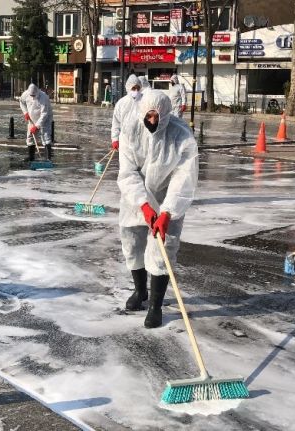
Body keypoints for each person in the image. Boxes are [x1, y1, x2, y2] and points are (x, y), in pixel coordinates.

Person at [117, 90, 199, 328]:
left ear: (166, 115)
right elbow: (127, 172)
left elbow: (184, 177)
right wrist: (143, 204)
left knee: (162, 251)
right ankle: (140, 292)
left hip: (167, 200)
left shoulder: (181, 135)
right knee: (132, 244)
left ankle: (155, 305)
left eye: (158, 117)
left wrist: (167, 211)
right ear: (143, 113)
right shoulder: (130, 130)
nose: (153, 122)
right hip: (136, 199)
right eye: (149, 116)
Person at [19, 83, 53, 162]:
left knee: (45, 136)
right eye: (31, 96)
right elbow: (21, 102)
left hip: (45, 119)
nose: (33, 97)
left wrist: (37, 126)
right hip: (32, 118)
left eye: (34, 96)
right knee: (30, 137)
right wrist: (25, 112)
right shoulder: (25, 94)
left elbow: (44, 113)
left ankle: (48, 159)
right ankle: (31, 157)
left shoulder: (43, 97)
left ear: (37, 92)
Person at [110, 74, 141, 151]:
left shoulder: (144, 101)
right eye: (133, 88)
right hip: (125, 142)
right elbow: (116, 122)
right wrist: (115, 139)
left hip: (141, 143)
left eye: (138, 88)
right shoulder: (121, 103)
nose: (136, 90)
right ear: (128, 88)